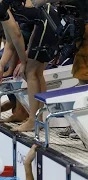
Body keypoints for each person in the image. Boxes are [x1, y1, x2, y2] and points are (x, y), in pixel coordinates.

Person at [0, 1, 63, 132]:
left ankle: (33, 120)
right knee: (35, 72)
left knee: (30, 71)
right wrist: (1, 66)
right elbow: (7, 45)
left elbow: (16, 36)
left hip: (47, 19)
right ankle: (37, 118)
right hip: (43, 21)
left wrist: (23, 62)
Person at [30, 0, 88, 138]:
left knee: (84, 77)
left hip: (84, 27)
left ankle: (82, 122)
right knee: (81, 76)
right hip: (80, 27)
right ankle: (79, 123)